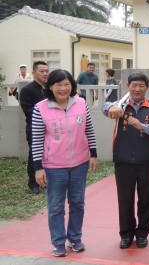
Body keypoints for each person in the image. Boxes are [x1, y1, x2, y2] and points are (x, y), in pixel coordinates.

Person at [31, 69, 97, 257]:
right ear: (50, 86)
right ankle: (58, 241)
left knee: (77, 202)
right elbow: (36, 140)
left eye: (66, 84)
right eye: (58, 84)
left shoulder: (81, 103)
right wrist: (38, 168)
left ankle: (75, 238)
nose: (63, 88)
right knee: (56, 206)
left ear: (72, 85)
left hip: (80, 163)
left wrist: (93, 154)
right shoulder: (40, 108)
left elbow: (89, 130)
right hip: (53, 166)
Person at [103, 73, 149, 249]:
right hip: (123, 161)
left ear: (147, 88)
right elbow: (105, 106)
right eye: (133, 85)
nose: (137, 89)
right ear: (128, 86)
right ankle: (126, 234)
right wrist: (110, 108)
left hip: (146, 162)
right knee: (125, 200)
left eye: (141, 86)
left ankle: (142, 233)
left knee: (146, 199)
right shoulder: (120, 106)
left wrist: (142, 126)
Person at [19, 61, 50, 194]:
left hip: (51, 128)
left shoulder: (50, 89)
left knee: (49, 154)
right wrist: (48, 112)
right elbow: (28, 110)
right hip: (34, 128)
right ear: (33, 73)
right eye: (41, 71)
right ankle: (33, 184)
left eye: (46, 71)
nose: (44, 73)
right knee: (34, 156)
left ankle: (45, 181)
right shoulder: (27, 90)